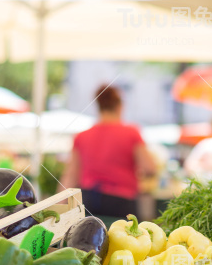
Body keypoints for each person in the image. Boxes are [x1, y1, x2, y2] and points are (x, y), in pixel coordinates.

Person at [62, 84, 155, 217]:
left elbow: (70, 176)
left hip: (88, 200)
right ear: (119, 106)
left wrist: (59, 208)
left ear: (98, 107)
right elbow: (150, 168)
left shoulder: (82, 136)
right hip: (121, 202)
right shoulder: (131, 133)